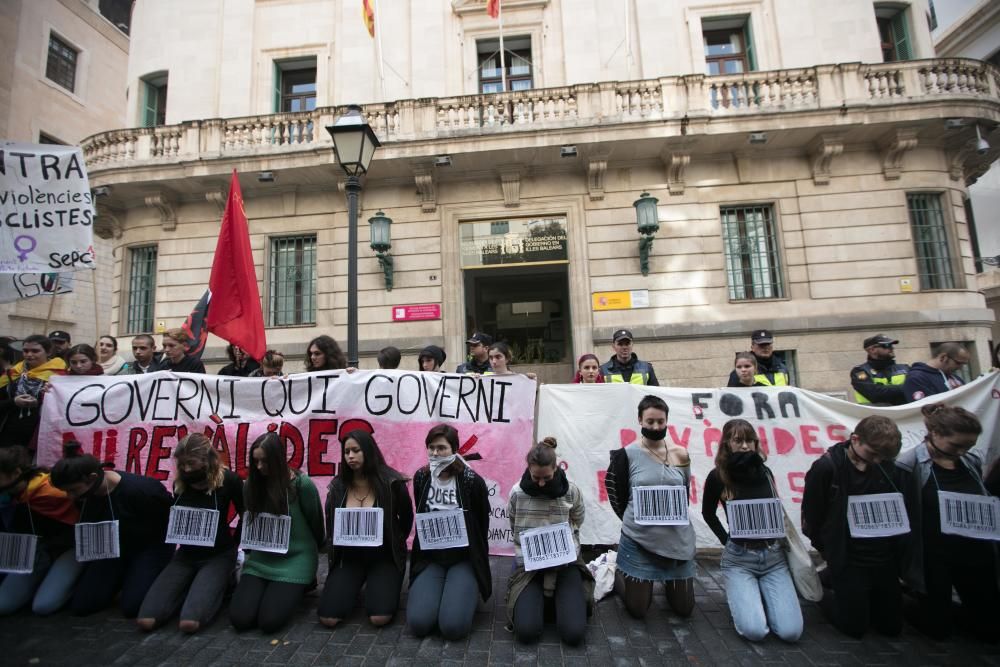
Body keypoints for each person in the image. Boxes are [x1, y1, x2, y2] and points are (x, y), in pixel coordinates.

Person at [801, 416, 912, 638]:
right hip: (848, 557)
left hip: (883, 558)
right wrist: (828, 550)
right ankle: (820, 589)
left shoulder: (888, 468)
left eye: (884, 457)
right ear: (855, 440)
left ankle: (843, 585)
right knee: (854, 627)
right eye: (872, 454)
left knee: (891, 627)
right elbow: (812, 515)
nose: (878, 461)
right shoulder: (827, 468)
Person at [896, 404, 998, 641]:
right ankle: (900, 598)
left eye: (968, 446)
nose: (961, 452)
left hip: (974, 552)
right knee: (937, 630)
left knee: (990, 630)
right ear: (935, 434)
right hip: (934, 556)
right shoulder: (908, 464)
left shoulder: (970, 462)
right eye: (955, 445)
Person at [702, 419, 803, 642]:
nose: (746, 446)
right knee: (754, 631)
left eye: (750, 440)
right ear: (727, 444)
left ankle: (765, 596)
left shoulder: (765, 472)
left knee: (791, 633)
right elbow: (708, 514)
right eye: (738, 440)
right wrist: (727, 540)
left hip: (774, 559)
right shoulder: (718, 476)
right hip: (739, 560)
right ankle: (749, 597)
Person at [50, 441, 174, 618]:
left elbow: (166, 522)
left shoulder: (142, 490)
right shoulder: (85, 497)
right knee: (83, 605)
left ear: (92, 478)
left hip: (149, 548)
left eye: (74, 490)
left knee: (132, 606)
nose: (70, 496)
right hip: (111, 549)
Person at [137, 434, 245, 633]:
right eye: (182, 464)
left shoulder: (229, 480)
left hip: (218, 555)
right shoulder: (181, 483)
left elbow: (246, 513)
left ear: (206, 460)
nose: (186, 469)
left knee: (189, 624)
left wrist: (235, 545)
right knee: (146, 621)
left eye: (191, 463)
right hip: (185, 556)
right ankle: (190, 588)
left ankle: (221, 581)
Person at [605, 395, 695, 619]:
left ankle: (666, 578)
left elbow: (684, 490)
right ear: (640, 421)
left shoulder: (681, 454)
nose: (655, 426)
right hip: (639, 538)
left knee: (684, 609)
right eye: (650, 421)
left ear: (667, 421)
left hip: (676, 539)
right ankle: (617, 571)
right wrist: (634, 521)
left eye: (660, 421)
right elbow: (616, 494)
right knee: (638, 609)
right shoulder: (625, 455)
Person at [230, 432, 324, 633]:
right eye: (255, 461)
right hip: (261, 559)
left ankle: (303, 584)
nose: (260, 467)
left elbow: (316, 520)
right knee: (241, 619)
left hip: (295, 559)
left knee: (269, 622)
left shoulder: (301, 485)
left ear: (278, 459)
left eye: (265, 461)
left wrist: (316, 550)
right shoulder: (250, 486)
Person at [319, 430, 413, 628]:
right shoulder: (337, 487)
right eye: (346, 452)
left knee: (380, 617)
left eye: (356, 450)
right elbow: (331, 525)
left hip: (383, 557)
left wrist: (394, 543)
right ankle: (350, 585)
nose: (350, 456)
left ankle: (382, 582)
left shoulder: (392, 483)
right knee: (328, 618)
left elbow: (406, 519)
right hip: (349, 557)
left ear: (368, 451)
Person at [406, 424, 492, 640]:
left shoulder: (472, 481)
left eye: (442, 448)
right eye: (431, 447)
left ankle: (465, 587)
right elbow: (421, 510)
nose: (435, 453)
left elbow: (481, 524)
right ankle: (440, 589)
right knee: (418, 623)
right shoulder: (421, 477)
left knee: (453, 627)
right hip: (431, 558)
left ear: (454, 449)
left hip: (463, 558)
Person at [507, 437, 591, 645]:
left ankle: (557, 601)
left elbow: (578, 519)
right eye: (536, 478)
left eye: (547, 477)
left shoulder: (571, 491)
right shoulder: (517, 492)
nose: (542, 483)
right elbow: (513, 522)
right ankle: (541, 601)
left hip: (565, 563)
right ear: (528, 469)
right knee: (526, 632)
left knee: (574, 634)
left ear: (556, 468)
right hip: (530, 565)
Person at [0, 446, 83, 616]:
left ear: (15, 473)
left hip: (69, 548)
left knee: (43, 605)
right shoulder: (9, 498)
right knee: (3, 604)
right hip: (35, 550)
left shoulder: (54, 491)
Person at [0, 334, 67, 450]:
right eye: (25, 351)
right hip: (7, 433)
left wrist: (42, 401)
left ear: (48, 352)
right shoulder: (13, 373)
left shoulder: (60, 376)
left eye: (35, 351)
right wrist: (13, 402)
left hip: (40, 435)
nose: (29, 355)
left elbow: (65, 406)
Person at [850, 335, 910, 406]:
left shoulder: (905, 368)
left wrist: (882, 389)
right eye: (886, 345)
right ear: (872, 350)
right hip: (875, 415)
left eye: (891, 345)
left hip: (904, 414)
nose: (891, 348)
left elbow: (917, 388)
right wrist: (906, 388)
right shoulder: (859, 371)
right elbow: (874, 393)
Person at [901, 342, 970, 403]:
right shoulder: (916, 378)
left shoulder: (955, 378)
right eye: (958, 363)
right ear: (943, 357)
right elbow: (926, 410)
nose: (960, 368)